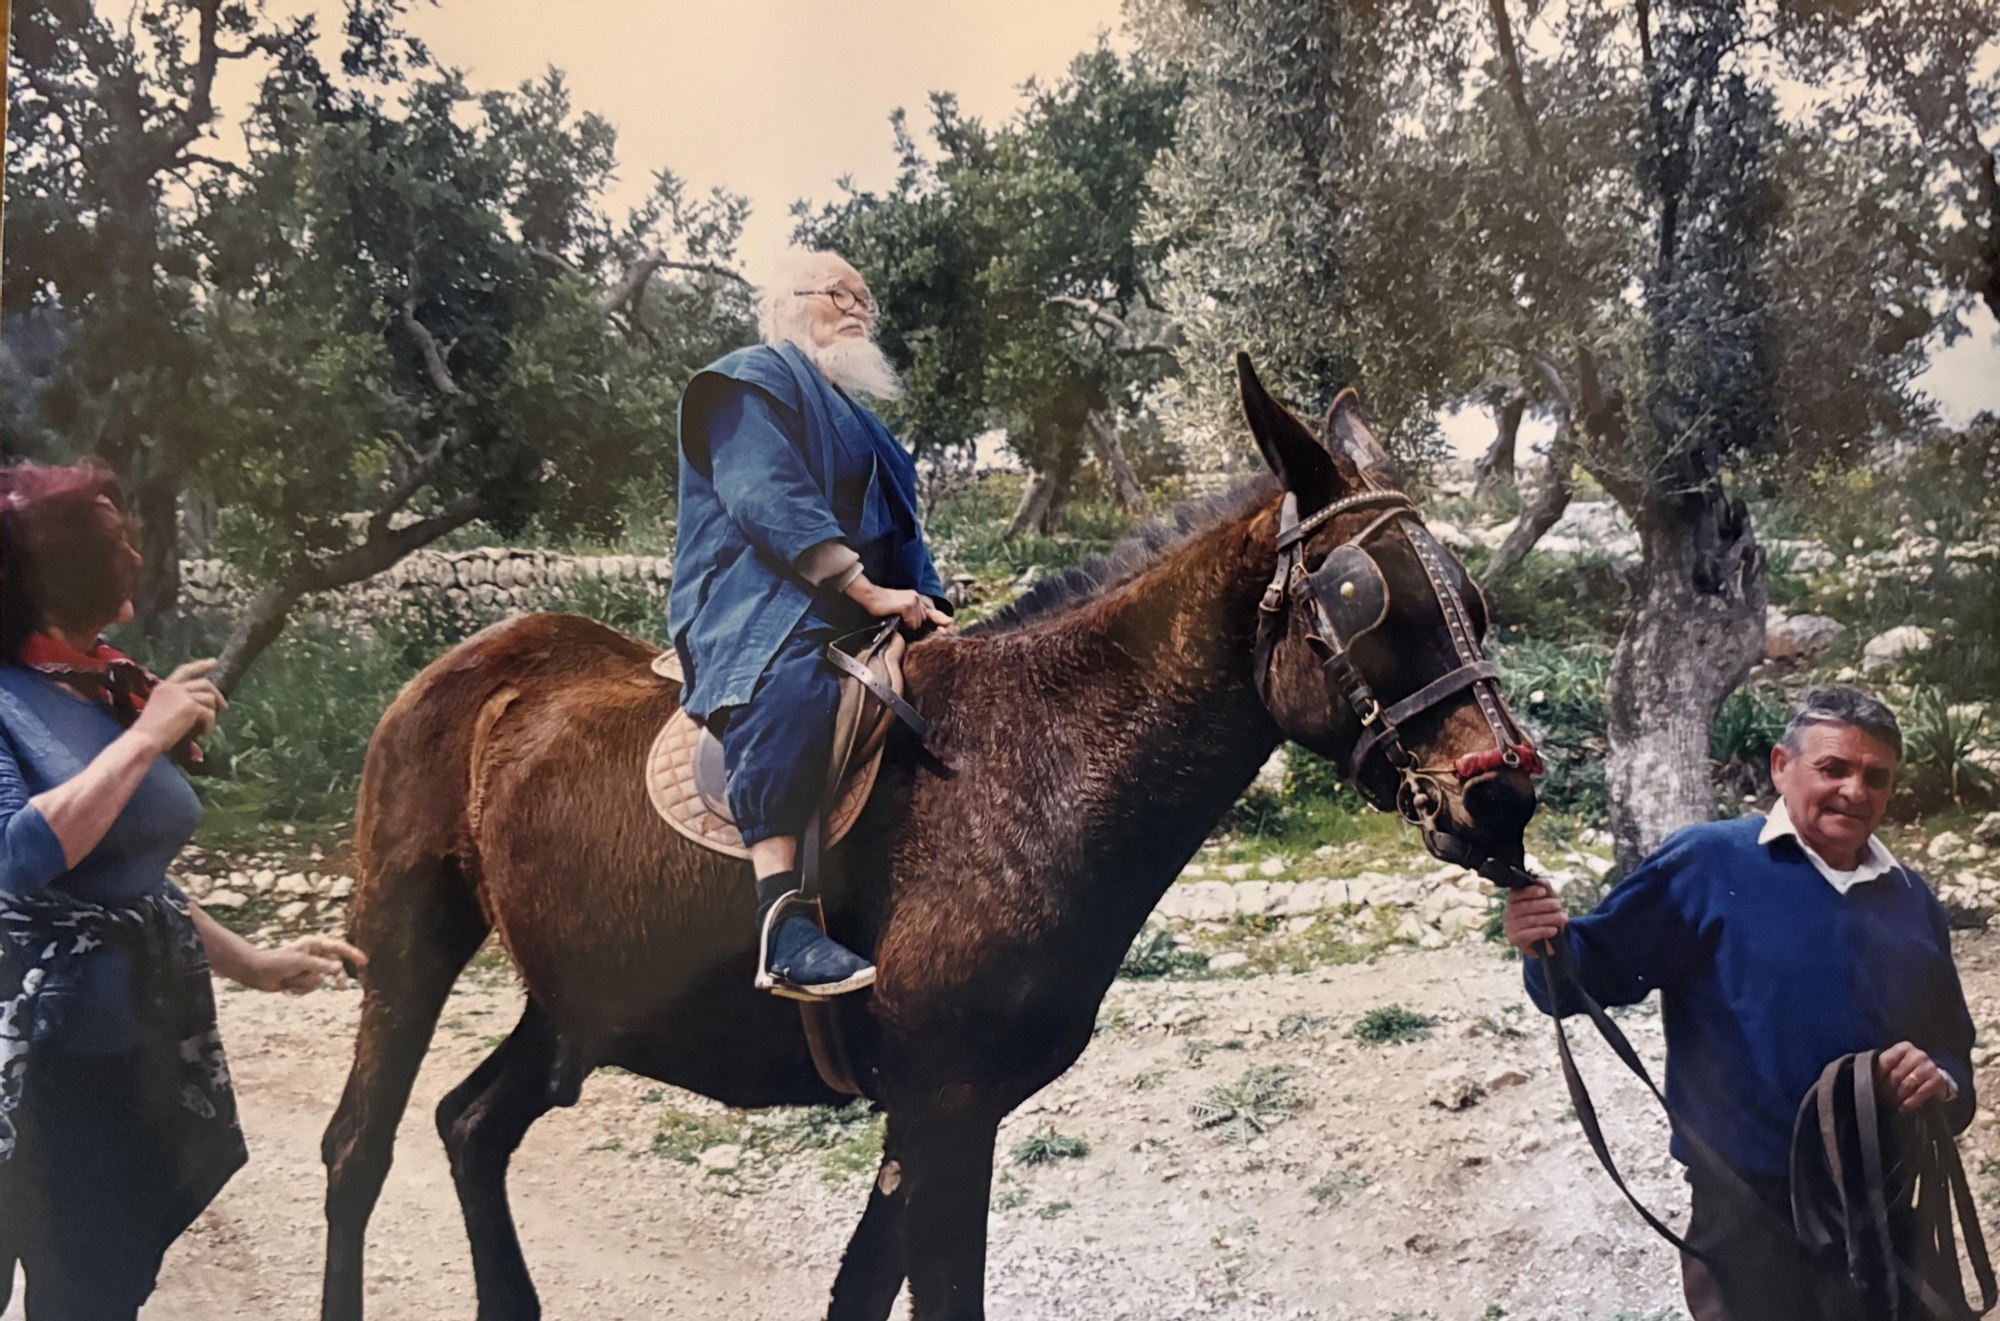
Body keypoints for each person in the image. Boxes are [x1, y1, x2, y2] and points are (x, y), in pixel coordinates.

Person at [0, 459, 366, 1320]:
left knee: (98, 1289)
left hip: (125, 1053)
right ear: (58, 571)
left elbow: (133, 884)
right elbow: (18, 856)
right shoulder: (21, 699)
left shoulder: (99, 686)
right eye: (116, 535)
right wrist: (148, 737)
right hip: (27, 1063)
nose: (136, 547)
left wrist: (256, 962)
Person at [1503, 686, 1975, 1321]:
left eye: (1876, 776)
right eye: (1833, 769)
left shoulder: (1912, 897)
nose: (1855, 792)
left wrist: (1939, 1081)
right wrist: (1546, 941)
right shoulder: (1708, 862)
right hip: (1749, 1215)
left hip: (1887, 1211)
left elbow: (1952, 1048)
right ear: (1783, 766)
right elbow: (1596, 971)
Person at [670, 250, 951, 999]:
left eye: (867, 299)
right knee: (789, 685)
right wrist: (861, 587)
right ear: (786, 303)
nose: (860, 309)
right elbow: (767, 495)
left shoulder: (871, 430)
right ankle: (784, 924)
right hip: (759, 595)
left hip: (849, 604)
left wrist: (930, 603)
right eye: (840, 293)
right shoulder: (745, 381)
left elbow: (905, 533)